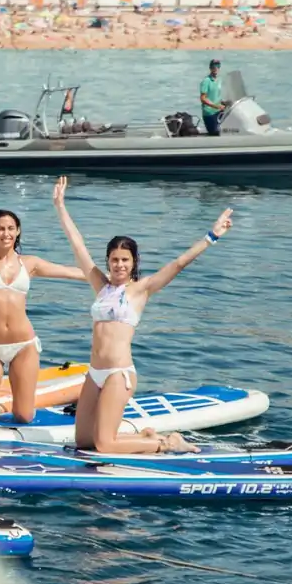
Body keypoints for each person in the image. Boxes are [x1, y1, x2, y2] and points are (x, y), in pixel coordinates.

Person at [53, 176, 233, 454]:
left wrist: (211, 236)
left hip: (119, 373)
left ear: (134, 262)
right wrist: (60, 206)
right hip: (95, 373)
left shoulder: (142, 289)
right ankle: (148, 436)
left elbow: (179, 263)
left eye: (125, 259)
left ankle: (168, 442)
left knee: (104, 444)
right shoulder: (100, 285)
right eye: (114, 259)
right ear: (108, 262)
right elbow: (78, 246)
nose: (119, 264)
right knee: (84, 442)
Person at [0, 148, 86, 425]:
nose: (6, 233)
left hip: (24, 345)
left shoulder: (30, 263)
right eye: (1, 228)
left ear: (18, 231)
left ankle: (4, 395)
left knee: (24, 416)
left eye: (11, 228)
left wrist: (109, 277)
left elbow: (71, 272)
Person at [199, 59, 226, 136]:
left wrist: (225, 102)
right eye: (214, 66)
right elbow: (203, 99)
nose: (216, 68)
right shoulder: (206, 81)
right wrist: (216, 106)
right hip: (209, 113)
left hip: (219, 111)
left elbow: (216, 96)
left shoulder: (219, 80)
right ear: (210, 68)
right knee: (215, 134)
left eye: (218, 66)